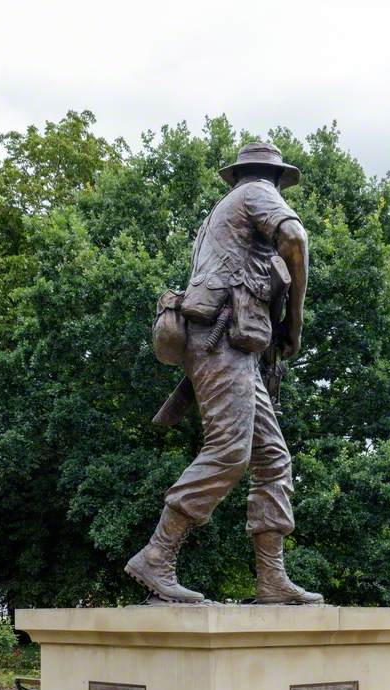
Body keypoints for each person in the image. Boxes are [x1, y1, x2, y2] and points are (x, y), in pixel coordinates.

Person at [125, 142, 323, 605]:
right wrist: (294, 324)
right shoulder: (256, 193)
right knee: (232, 451)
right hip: (219, 340)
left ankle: (271, 579)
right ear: (271, 177)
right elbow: (296, 239)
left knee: (273, 458)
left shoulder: (229, 210)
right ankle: (157, 555)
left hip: (234, 347)